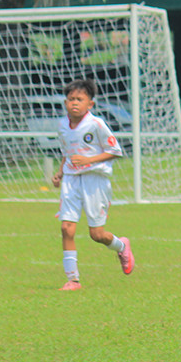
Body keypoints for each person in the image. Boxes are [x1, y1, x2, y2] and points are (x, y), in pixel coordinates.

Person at [51, 78, 134, 291]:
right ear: (65, 102)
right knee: (66, 228)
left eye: (80, 99)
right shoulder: (62, 125)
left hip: (95, 180)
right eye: (71, 99)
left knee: (97, 234)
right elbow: (67, 152)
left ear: (90, 104)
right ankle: (73, 279)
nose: (74, 103)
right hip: (71, 179)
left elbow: (115, 151)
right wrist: (60, 172)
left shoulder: (96, 124)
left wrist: (89, 160)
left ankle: (121, 246)